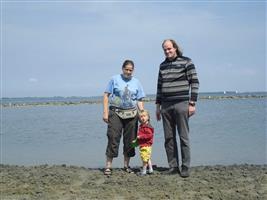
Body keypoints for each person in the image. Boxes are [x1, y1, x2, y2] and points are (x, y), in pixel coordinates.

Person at [156, 39, 199, 178]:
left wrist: (192, 103)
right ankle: (173, 166)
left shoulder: (187, 61)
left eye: (169, 48)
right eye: (165, 49)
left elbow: (194, 82)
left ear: (175, 48)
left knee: (183, 137)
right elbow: (159, 87)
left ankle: (185, 167)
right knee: (169, 138)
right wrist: (158, 106)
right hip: (166, 106)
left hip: (182, 104)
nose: (167, 51)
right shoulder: (162, 66)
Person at [103, 59, 145, 176]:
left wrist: (142, 113)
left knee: (130, 140)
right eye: (126, 69)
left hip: (132, 114)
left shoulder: (136, 82)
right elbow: (106, 95)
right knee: (113, 137)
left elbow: (140, 99)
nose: (128, 72)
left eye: (130, 70)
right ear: (122, 69)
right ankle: (108, 166)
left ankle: (126, 165)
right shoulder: (114, 79)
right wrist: (105, 112)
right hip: (115, 112)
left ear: (133, 70)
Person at [134, 110, 154, 176]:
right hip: (143, 144)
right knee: (147, 157)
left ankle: (144, 171)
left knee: (144, 159)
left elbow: (149, 135)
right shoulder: (142, 125)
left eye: (144, 116)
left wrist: (141, 137)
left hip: (146, 145)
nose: (143, 118)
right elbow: (140, 135)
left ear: (148, 117)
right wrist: (137, 141)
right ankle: (150, 169)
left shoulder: (147, 126)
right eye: (141, 117)